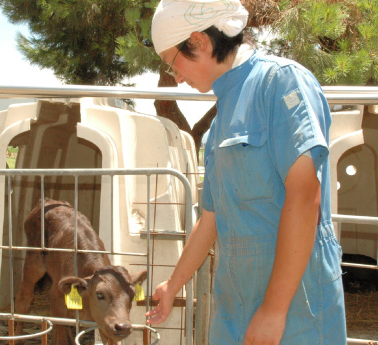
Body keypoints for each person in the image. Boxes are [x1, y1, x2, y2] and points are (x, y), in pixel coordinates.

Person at [147, 0, 347, 344]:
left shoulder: (281, 82)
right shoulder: (220, 119)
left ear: (199, 41)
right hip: (235, 305)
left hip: (296, 306)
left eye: (172, 63)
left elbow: (304, 198)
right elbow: (211, 215)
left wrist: (274, 310)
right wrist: (173, 284)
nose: (175, 77)